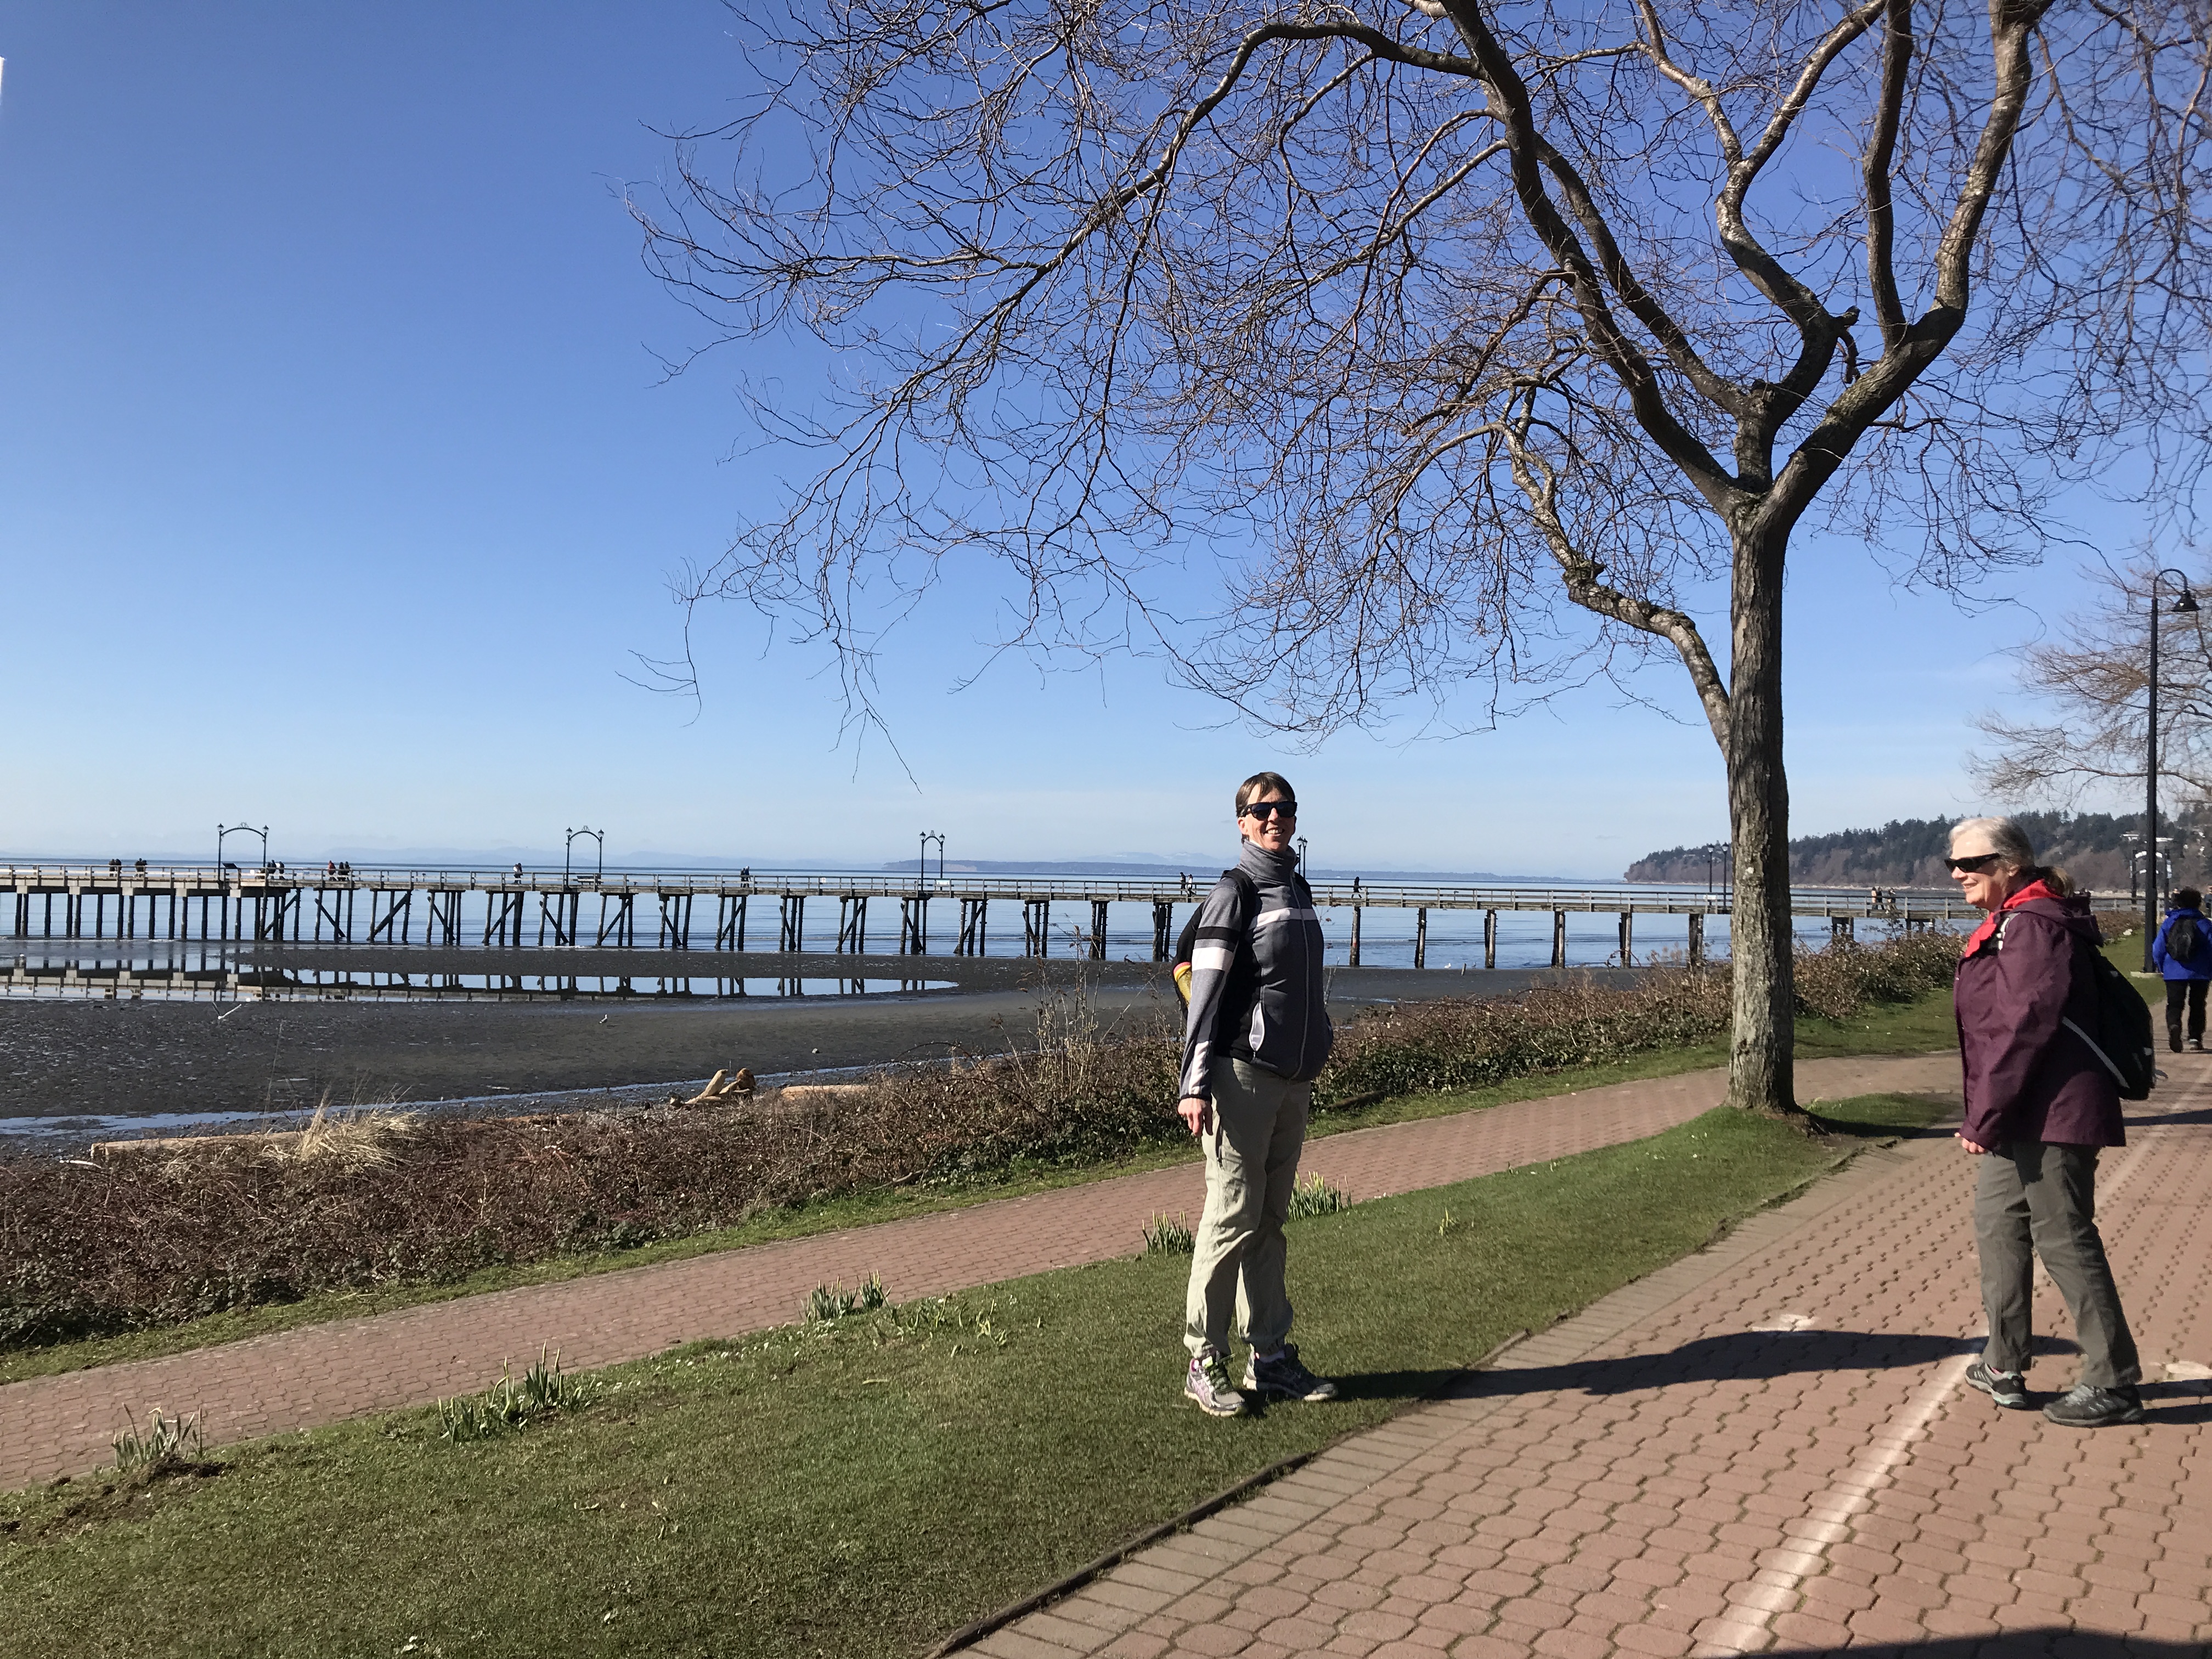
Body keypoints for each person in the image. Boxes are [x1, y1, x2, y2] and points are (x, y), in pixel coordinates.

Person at [1948, 816, 2143, 1428]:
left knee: (2064, 1236)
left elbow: (2022, 1026)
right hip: (2021, 1109)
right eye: (1952, 864)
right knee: (1998, 1224)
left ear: (2010, 865)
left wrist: (1983, 1118)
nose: (1958, 874)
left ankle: (2113, 1381)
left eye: (1971, 864)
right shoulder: (2015, 920)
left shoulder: (2033, 926)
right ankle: (2003, 1362)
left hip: (2055, 1111)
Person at [1174, 771, 1339, 1417]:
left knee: (1268, 1223)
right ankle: (1203, 1360)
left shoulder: (1297, 889)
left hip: (1292, 1081)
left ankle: (1269, 1357)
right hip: (1241, 1077)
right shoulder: (1234, 892)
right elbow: (1205, 996)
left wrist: (1321, 1036)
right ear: (1241, 821)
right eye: (1262, 809)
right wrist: (1194, 1085)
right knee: (1231, 1217)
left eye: (1285, 808)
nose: (1275, 817)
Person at [2150, 885, 2210, 1052]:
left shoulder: (2169, 922)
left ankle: (2174, 1026)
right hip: (2200, 971)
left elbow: (2158, 949)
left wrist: (2162, 966)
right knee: (2198, 1004)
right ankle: (2195, 1038)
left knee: (2175, 1004)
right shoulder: (2204, 924)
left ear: (2179, 903)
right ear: (2199, 904)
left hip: (2174, 970)